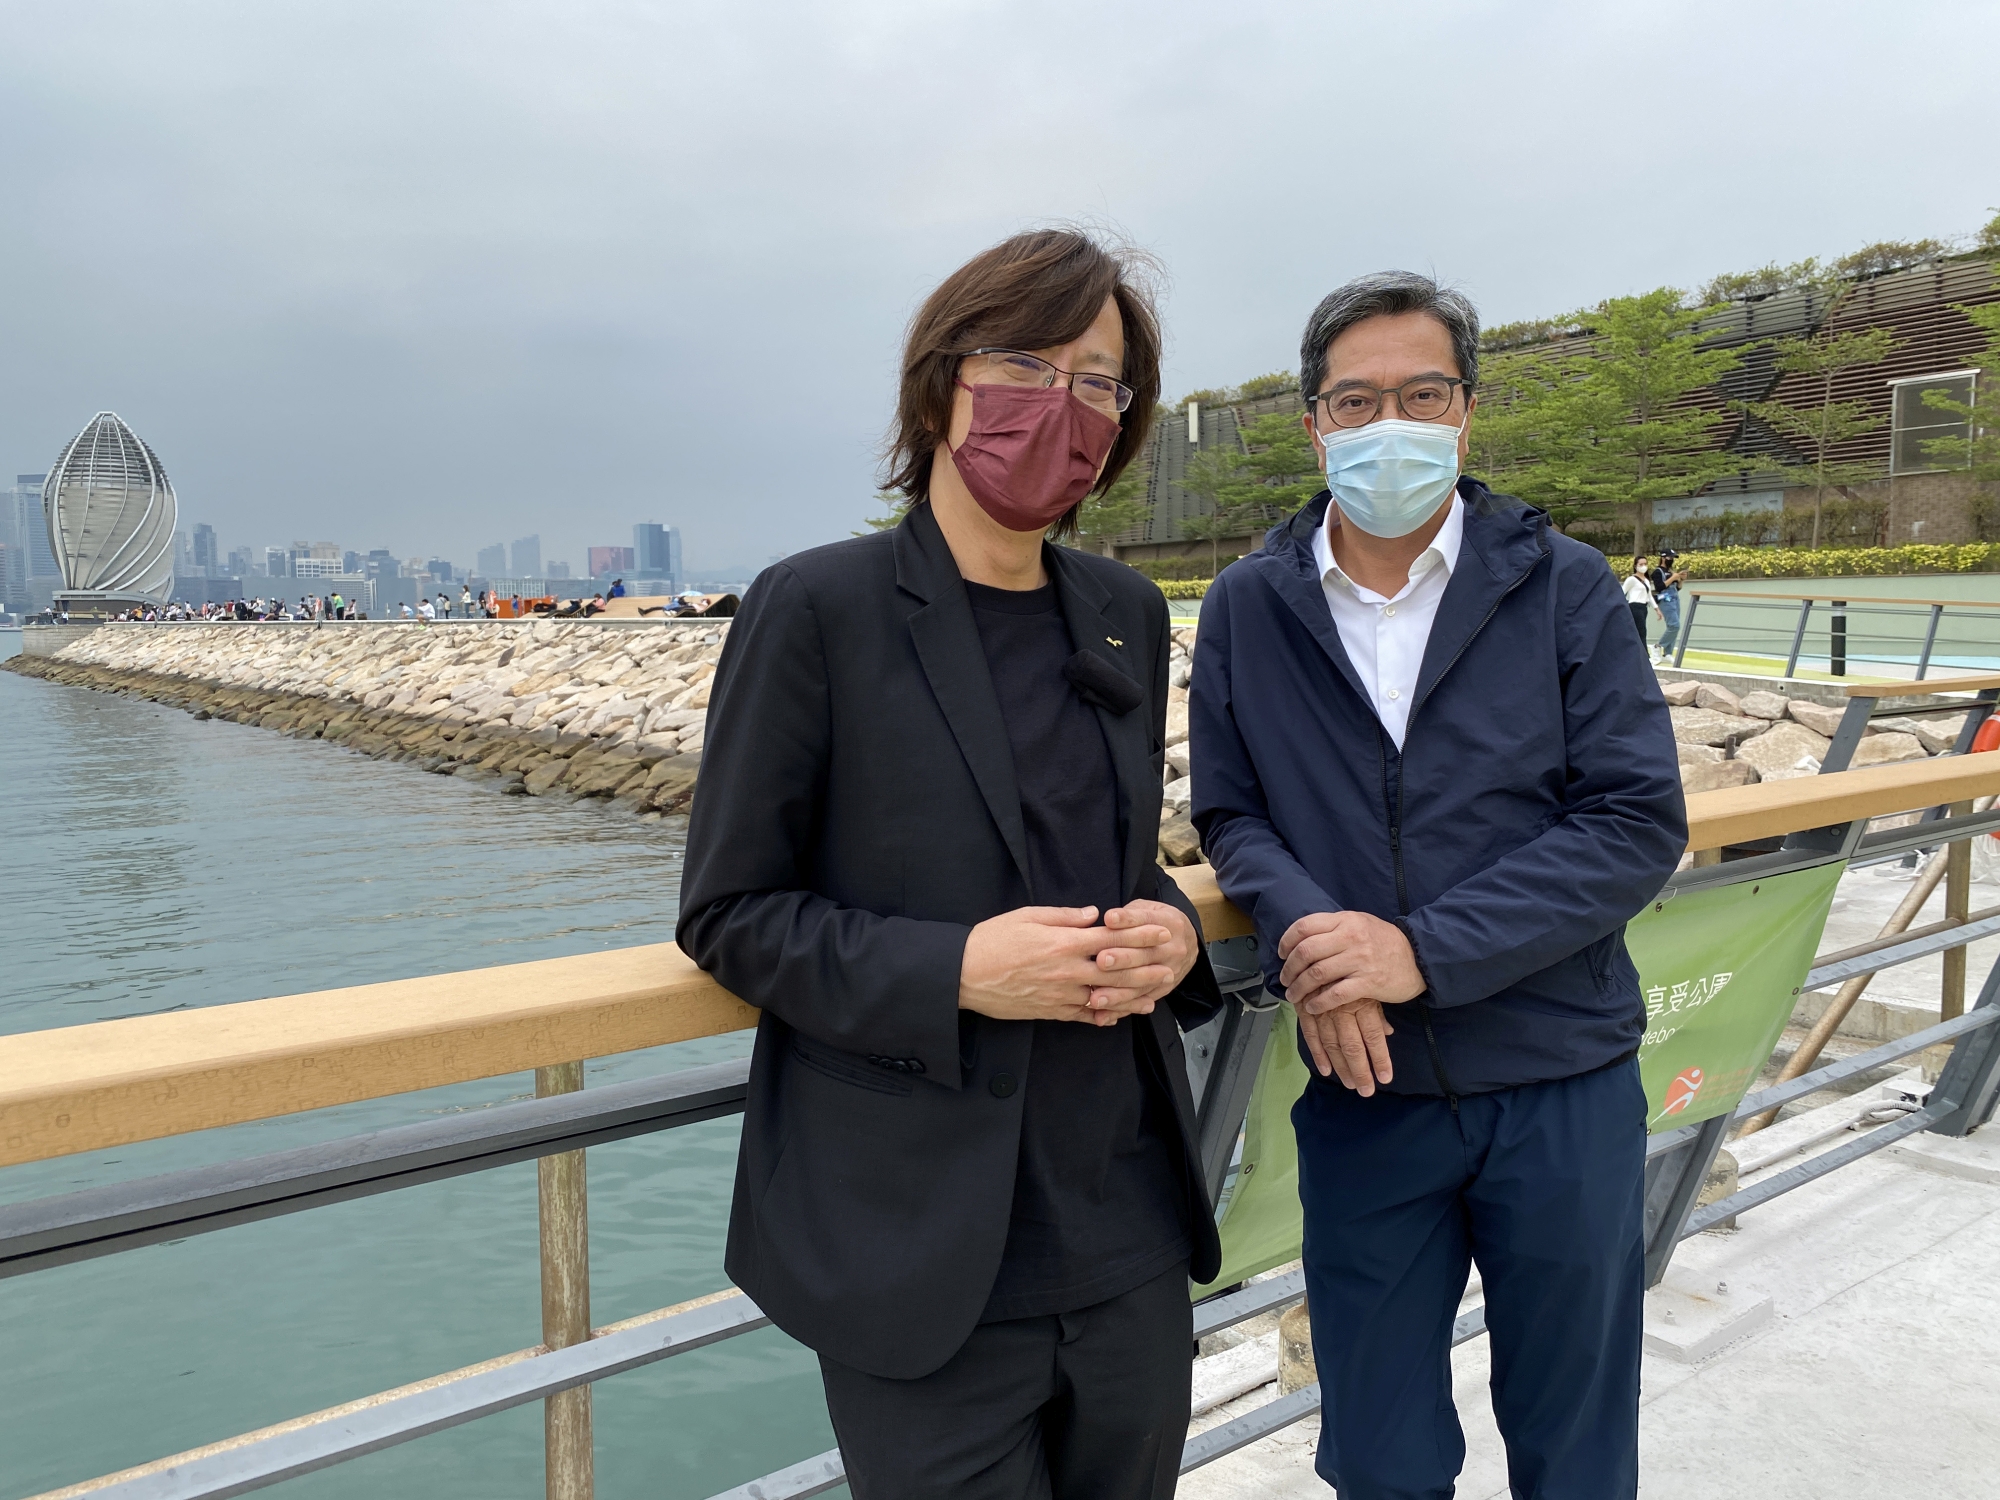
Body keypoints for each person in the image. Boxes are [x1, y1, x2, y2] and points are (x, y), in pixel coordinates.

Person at [677, 228, 1222, 1500]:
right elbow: (730, 913)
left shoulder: (1122, 613)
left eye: (1099, 381)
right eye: (1027, 363)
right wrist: (956, 970)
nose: (1064, 405)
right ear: (941, 384)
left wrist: (1175, 929)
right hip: (916, 1252)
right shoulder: (815, 607)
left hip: (1128, 1223)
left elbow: (1113, 860)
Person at [1189, 270, 1685, 1500]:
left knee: (1574, 1443)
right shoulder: (1251, 604)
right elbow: (1231, 813)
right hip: (1368, 1086)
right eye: (1353, 400)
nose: (1386, 423)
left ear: (1465, 413)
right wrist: (1314, 940)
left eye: (1419, 393)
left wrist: (1419, 951)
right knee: (1377, 1447)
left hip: (1559, 1075)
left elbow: (1633, 822)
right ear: (1311, 424)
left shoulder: (1560, 581)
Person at [1648, 547, 1687, 663]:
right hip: (1665, 600)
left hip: (1675, 600)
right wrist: (1673, 578)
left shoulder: (1671, 572)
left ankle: (1668, 653)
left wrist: (1681, 580)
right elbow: (1659, 587)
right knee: (1674, 625)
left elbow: (1678, 588)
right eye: (1670, 557)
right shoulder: (1657, 572)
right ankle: (1657, 646)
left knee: (1675, 627)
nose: (1672, 560)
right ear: (1663, 558)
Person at [1621, 556, 1653, 644]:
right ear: (1635, 566)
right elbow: (1622, 592)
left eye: (1645, 564)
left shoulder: (1646, 580)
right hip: (1635, 606)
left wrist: (1657, 609)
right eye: (1641, 564)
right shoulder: (1631, 579)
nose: (1643, 566)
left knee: (1640, 630)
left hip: (1643, 607)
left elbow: (1649, 595)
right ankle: (1644, 654)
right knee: (1641, 631)